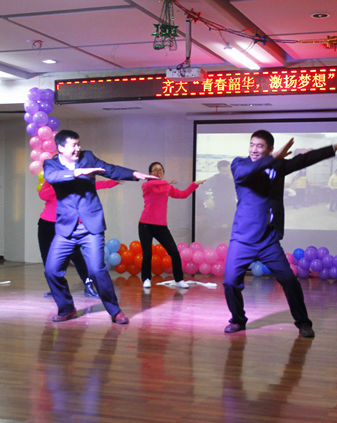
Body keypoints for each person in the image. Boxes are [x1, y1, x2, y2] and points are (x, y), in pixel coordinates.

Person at [223, 128, 337, 338]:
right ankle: (238, 320)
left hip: (268, 240)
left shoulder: (278, 165)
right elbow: (246, 172)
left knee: (289, 281)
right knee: (230, 282)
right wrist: (275, 156)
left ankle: (303, 323)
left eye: (260, 146)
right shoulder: (240, 164)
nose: (254, 149)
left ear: (270, 149)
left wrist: (335, 147)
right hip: (242, 240)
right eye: (252, 144)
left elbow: (305, 160)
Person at [43, 130, 157, 324]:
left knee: (97, 270)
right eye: (73, 145)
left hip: (91, 227)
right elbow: (52, 177)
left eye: (79, 144)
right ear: (60, 148)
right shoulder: (51, 164)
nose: (78, 148)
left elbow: (110, 169)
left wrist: (135, 174)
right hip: (66, 229)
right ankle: (67, 309)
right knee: (51, 271)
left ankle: (115, 311)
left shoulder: (87, 157)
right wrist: (79, 172)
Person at [38, 178, 119, 299]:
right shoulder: (51, 180)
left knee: (76, 255)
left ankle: (88, 285)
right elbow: (43, 195)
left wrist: (113, 182)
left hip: (66, 224)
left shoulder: (74, 179)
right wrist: (59, 185)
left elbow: (94, 185)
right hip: (46, 224)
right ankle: (56, 288)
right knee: (47, 257)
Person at [138, 161, 204, 289]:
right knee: (147, 254)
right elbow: (151, 183)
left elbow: (183, 194)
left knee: (174, 252)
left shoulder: (167, 187)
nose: (158, 172)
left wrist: (194, 184)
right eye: (155, 170)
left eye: (160, 170)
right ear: (150, 173)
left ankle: (179, 280)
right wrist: (165, 182)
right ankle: (146, 279)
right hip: (145, 225)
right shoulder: (147, 186)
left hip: (161, 226)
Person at [201, 159, 236, 246]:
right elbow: (200, 188)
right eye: (225, 171)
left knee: (232, 230)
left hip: (232, 207)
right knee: (215, 230)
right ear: (219, 171)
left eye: (229, 170)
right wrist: (206, 199)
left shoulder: (236, 177)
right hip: (218, 207)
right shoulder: (215, 179)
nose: (228, 173)